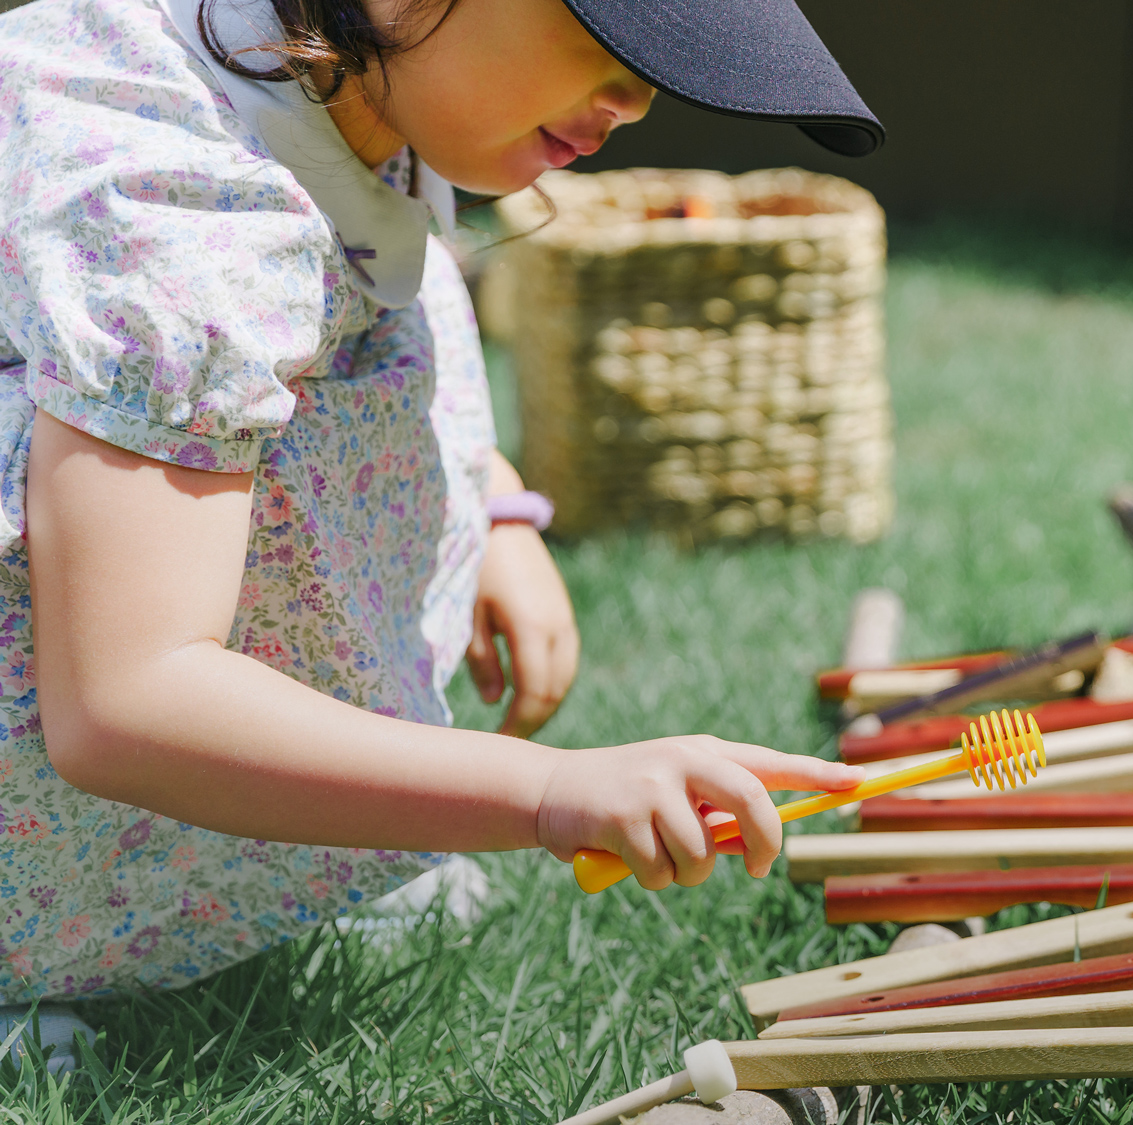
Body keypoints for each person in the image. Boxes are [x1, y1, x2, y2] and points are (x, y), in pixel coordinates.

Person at [0, 0, 882, 1068]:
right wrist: (547, 793)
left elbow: (358, 320)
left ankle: (296, 857)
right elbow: (126, 699)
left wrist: (490, 503)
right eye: (611, 47)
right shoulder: (181, 217)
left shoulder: (357, 77)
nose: (637, 103)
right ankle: (39, 960)